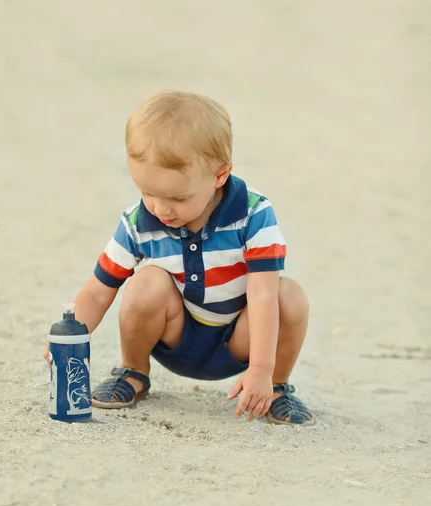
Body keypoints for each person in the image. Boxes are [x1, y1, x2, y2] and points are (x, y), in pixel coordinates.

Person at [44, 90, 312, 424]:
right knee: (146, 282)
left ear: (219, 176)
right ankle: (133, 371)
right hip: (175, 336)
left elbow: (262, 293)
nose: (160, 208)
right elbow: (99, 290)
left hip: (241, 340)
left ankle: (274, 387)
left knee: (289, 295)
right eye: (147, 192)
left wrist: (260, 367)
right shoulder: (138, 223)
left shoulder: (254, 213)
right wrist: (71, 336)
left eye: (176, 197)